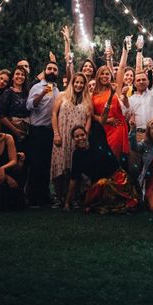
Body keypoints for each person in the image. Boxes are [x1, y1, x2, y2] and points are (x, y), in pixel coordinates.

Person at [64, 125, 138, 213]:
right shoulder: (76, 155)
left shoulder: (97, 143)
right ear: (73, 139)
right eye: (77, 136)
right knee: (90, 199)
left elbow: (101, 123)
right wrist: (67, 203)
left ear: (86, 135)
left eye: (82, 135)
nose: (80, 138)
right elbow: (74, 178)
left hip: (116, 179)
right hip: (99, 185)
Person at [50, 73, 92, 207]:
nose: (79, 85)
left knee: (76, 168)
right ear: (72, 83)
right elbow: (53, 114)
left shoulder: (87, 99)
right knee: (60, 166)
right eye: (76, 82)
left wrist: (84, 137)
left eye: (82, 83)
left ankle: (74, 198)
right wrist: (56, 133)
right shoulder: (62, 95)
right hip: (62, 135)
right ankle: (58, 197)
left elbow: (89, 119)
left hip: (78, 138)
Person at [26, 61, 60, 206]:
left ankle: (44, 195)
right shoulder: (36, 87)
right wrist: (42, 94)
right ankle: (33, 197)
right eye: (49, 69)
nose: (52, 71)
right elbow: (29, 105)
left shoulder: (58, 90)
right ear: (45, 71)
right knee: (35, 164)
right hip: (37, 130)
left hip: (50, 131)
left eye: (55, 69)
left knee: (46, 165)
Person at [92, 65, 129, 164]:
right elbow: (90, 114)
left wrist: (125, 96)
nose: (105, 76)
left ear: (111, 76)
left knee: (114, 158)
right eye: (102, 74)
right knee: (102, 159)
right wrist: (106, 120)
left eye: (107, 74)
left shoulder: (115, 89)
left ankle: (117, 178)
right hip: (102, 128)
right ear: (98, 76)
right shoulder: (93, 94)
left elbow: (126, 107)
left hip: (117, 127)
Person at [0, 67, 30, 152]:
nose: (20, 76)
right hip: (11, 130)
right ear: (12, 77)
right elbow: (1, 115)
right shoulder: (8, 92)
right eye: (17, 74)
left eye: (23, 75)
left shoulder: (27, 93)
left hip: (26, 130)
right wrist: (15, 130)